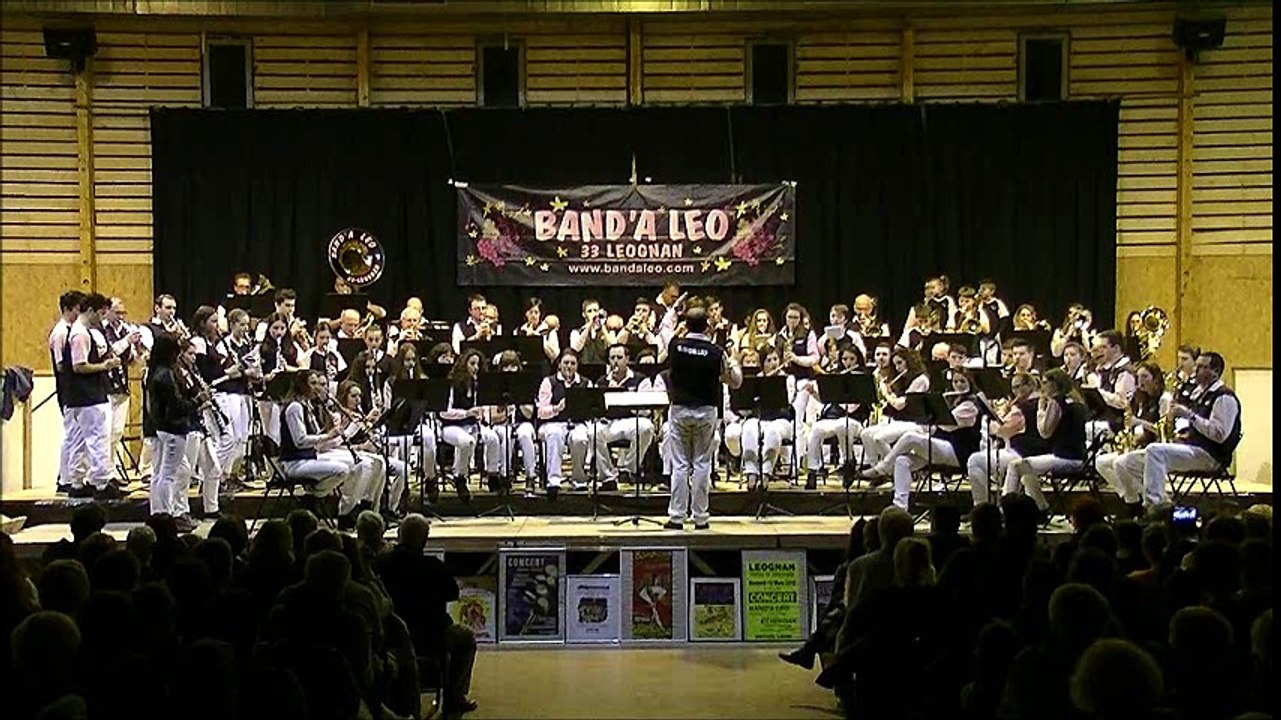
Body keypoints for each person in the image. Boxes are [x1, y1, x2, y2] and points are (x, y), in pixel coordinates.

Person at [373, 514, 477, 719]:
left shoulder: (381, 563)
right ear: (425, 539)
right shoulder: (432, 566)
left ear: (399, 535)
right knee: (466, 638)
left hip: (389, 636)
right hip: (431, 637)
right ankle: (454, 697)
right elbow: (453, 593)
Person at [1124, 351, 1241, 508]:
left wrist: (1189, 416)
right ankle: (1157, 502)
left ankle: (1155, 506)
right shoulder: (1199, 394)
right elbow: (1196, 427)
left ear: (1215, 372)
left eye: (1201, 367)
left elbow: (1219, 435)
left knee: (1155, 451)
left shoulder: (1223, 397)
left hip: (1211, 455)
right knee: (1128, 461)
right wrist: (1180, 431)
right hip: (1192, 447)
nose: (1195, 370)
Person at [664, 307, 741, 530]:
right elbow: (735, 382)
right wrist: (734, 360)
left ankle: (677, 516)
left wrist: (674, 310)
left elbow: (664, 328)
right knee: (701, 464)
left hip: (680, 410)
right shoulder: (716, 352)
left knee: (679, 465)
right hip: (706, 410)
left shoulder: (675, 346)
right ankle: (700, 517)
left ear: (686, 325)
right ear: (707, 326)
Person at [863, 370, 980, 511]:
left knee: (910, 437)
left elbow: (947, 425)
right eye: (955, 382)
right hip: (941, 448)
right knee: (902, 461)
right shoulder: (954, 400)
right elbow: (934, 428)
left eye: (962, 381)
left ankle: (884, 467)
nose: (958, 385)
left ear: (970, 383)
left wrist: (934, 413)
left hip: (959, 453)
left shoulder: (970, 405)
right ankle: (900, 506)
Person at [64, 293, 123, 499]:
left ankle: (78, 483)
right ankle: (101, 482)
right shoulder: (80, 334)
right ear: (90, 311)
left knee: (78, 440)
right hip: (89, 396)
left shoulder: (78, 332)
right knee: (97, 438)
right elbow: (79, 366)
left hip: (77, 397)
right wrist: (104, 366)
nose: (102, 318)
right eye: (101, 314)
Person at [1014, 368, 1090, 518]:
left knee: (1018, 466)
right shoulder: (1077, 401)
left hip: (1065, 458)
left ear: (1054, 384)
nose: (1042, 387)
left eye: (1044, 383)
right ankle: (1038, 507)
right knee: (1024, 468)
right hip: (1081, 457)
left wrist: (1041, 409)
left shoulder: (1056, 403)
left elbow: (1044, 432)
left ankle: (1035, 508)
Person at [146, 334, 200, 530]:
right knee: (169, 474)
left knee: (163, 473)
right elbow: (176, 405)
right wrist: (198, 401)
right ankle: (167, 516)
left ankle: (161, 513)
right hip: (173, 428)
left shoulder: (156, 371)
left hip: (163, 427)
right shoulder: (166, 374)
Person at [438, 348, 502, 499]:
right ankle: (460, 477)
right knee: (466, 442)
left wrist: (483, 415)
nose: (476, 368)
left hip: (472, 425)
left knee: (493, 438)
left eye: (478, 365)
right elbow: (443, 412)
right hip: (451, 426)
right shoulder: (452, 384)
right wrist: (466, 413)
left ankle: (492, 475)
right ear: (464, 364)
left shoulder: (477, 385)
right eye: (472, 364)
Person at [802, 344, 867, 489]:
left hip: (855, 419)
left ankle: (849, 462)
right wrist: (814, 393)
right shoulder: (837, 375)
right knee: (816, 429)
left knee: (842, 425)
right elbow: (828, 399)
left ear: (858, 360)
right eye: (844, 359)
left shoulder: (862, 377)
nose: (848, 362)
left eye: (851, 359)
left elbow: (853, 407)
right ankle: (812, 470)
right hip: (834, 418)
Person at [593, 344, 654, 490]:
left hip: (632, 421)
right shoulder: (601, 382)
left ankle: (628, 469)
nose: (615, 361)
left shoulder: (641, 380)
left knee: (647, 427)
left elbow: (646, 411)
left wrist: (623, 396)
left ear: (627, 359)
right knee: (592, 432)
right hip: (610, 422)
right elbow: (594, 409)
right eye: (612, 358)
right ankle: (608, 477)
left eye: (619, 357)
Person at [535, 349, 593, 498]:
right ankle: (553, 481)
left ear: (577, 365)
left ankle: (579, 480)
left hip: (577, 423)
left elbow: (592, 408)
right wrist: (556, 408)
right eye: (566, 363)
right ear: (559, 365)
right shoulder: (549, 382)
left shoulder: (585, 383)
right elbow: (541, 411)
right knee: (554, 434)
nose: (569, 366)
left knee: (580, 439)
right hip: (552, 423)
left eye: (573, 363)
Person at [50, 290, 86, 493]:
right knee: (71, 434)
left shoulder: (72, 330)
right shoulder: (61, 333)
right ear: (67, 309)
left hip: (74, 390)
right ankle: (65, 477)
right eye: (77, 310)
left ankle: (73, 475)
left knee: (77, 435)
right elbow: (61, 364)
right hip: (67, 389)